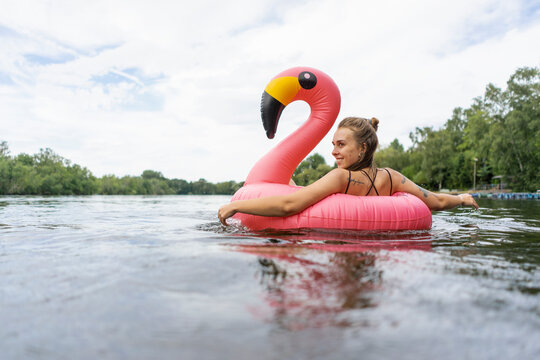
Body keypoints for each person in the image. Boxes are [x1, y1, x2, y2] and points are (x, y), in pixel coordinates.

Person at [218, 117, 478, 225]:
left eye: (341, 145)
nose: (334, 151)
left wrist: (237, 207)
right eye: (333, 145)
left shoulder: (342, 177)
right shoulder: (391, 177)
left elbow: (289, 205)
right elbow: (438, 200)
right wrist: (463, 199)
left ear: (363, 148)